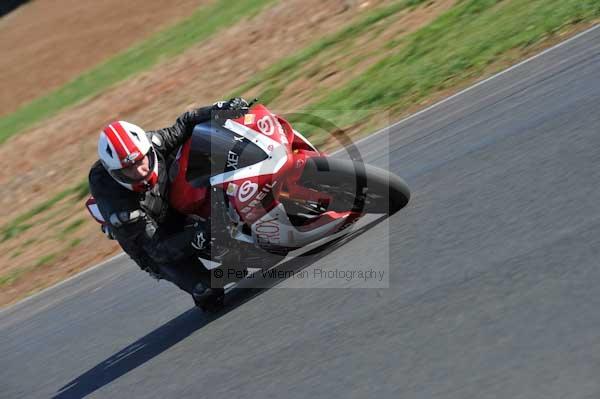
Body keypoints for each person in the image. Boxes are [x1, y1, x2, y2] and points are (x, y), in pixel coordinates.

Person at [88, 98, 249, 310]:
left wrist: (220, 109)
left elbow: (186, 123)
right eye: (129, 169)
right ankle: (211, 281)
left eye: (140, 161)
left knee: (200, 140)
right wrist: (199, 234)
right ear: (115, 172)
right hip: (156, 240)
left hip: (171, 200)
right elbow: (158, 249)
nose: (140, 171)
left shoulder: (151, 142)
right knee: (209, 292)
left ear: (146, 150)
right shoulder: (118, 203)